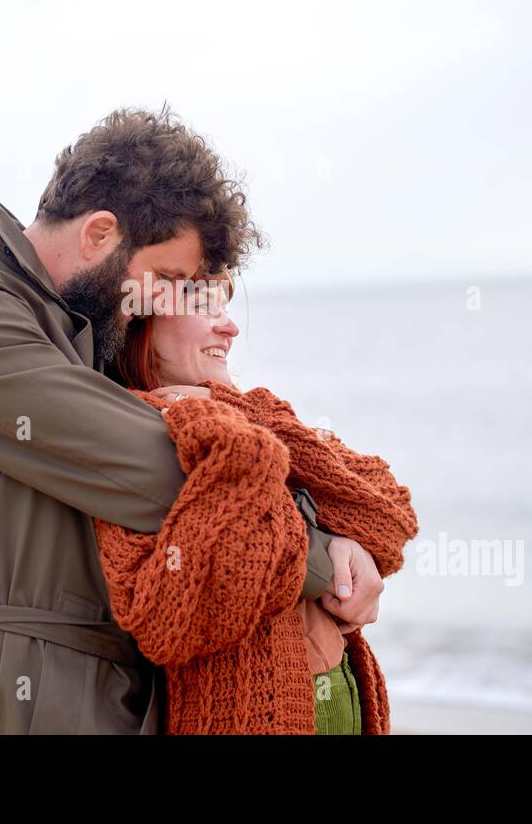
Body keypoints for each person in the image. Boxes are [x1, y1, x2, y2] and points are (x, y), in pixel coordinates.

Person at [0, 105, 386, 733]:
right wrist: (328, 562)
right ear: (99, 233)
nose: (164, 302)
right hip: (45, 705)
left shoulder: (80, 324)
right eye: (168, 279)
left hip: (131, 696)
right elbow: (162, 471)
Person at [96, 274, 418, 733]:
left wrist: (225, 406)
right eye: (202, 305)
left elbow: (387, 515)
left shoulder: (244, 414)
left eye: (224, 307)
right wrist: (328, 543)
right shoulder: (132, 434)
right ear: (138, 317)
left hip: (343, 691)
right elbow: (172, 618)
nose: (229, 327)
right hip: (252, 714)